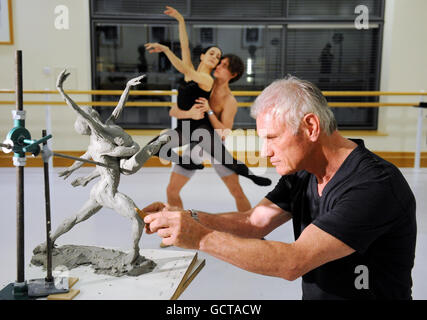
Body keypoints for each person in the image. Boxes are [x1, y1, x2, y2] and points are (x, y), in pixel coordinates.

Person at [142, 76, 417, 299]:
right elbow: (253, 221)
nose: (264, 152)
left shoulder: (373, 186)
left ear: (310, 127)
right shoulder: (302, 172)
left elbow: (293, 262)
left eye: (272, 138)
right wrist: (187, 218)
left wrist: (200, 238)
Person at [34, 70, 169, 264]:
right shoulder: (100, 133)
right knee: (136, 219)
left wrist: (127, 88)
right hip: (108, 192)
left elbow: (117, 110)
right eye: (89, 116)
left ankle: (49, 241)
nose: (91, 113)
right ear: (89, 123)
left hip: (98, 190)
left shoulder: (102, 133)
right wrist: (60, 89)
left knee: (76, 217)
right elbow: (79, 112)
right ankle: (134, 251)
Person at [144, 6, 271, 187]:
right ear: (202, 56)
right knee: (156, 147)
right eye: (211, 53)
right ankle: (185, 162)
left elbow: (183, 68)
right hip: (184, 129)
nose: (214, 57)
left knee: (227, 159)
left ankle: (252, 176)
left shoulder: (206, 79)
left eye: (218, 57)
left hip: (201, 130)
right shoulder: (192, 74)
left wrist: (165, 49)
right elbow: (185, 47)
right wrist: (180, 20)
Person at [167, 54, 251, 212]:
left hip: (215, 146)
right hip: (196, 145)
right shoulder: (203, 87)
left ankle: (253, 230)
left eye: (224, 65)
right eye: (220, 63)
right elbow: (174, 111)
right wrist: (190, 113)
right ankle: (179, 230)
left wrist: (209, 110)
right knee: (172, 190)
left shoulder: (229, 100)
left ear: (233, 75)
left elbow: (224, 133)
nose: (218, 66)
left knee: (237, 192)